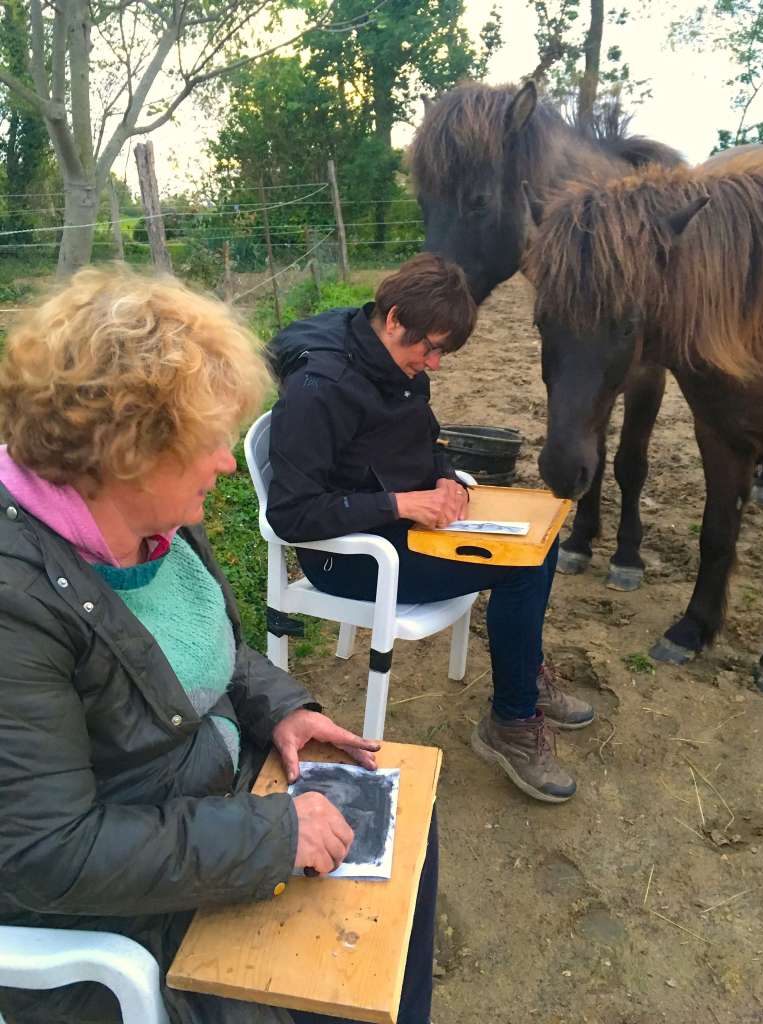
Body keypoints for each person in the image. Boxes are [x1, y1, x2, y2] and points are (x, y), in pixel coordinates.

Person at [0, 266, 437, 1024]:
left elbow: (205, 647)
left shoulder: (155, 524)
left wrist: (281, 706)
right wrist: (274, 835)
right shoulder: (17, 604)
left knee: (408, 845)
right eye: (208, 441)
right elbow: (47, 853)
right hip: (121, 910)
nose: (228, 463)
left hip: (211, 802)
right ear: (129, 452)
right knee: (339, 973)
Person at [267, 253, 596, 805]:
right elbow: (291, 515)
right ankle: (512, 722)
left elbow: (421, 438)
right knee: (522, 567)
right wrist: (401, 503)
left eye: (443, 352)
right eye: (432, 348)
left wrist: (445, 478)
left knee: (540, 539)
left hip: (395, 528)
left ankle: (524, 675)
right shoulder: (320, 388)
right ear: (395, 318)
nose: (435, 365)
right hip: (345, 558)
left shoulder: (393, 360)